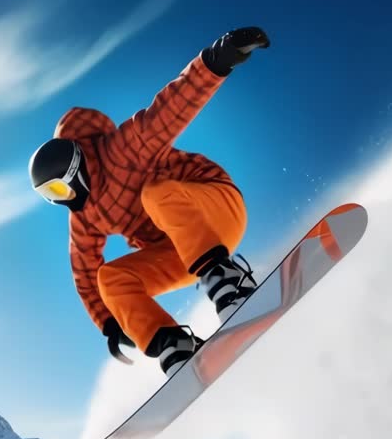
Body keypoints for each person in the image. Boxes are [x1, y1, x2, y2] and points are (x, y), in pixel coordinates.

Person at [29, 26, 269, 378]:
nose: (63, 200)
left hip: (216, 209)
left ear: (75, 167)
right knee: (110, 278)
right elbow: (85, 273)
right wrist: (112, 323)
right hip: (180, 250)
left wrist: (218, 59)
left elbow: (171, 107)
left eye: (59, 189)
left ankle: (226, 279)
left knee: (154, 193)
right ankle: (173, 344)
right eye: (50, 196)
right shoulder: (84, 217)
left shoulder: (124, 148)